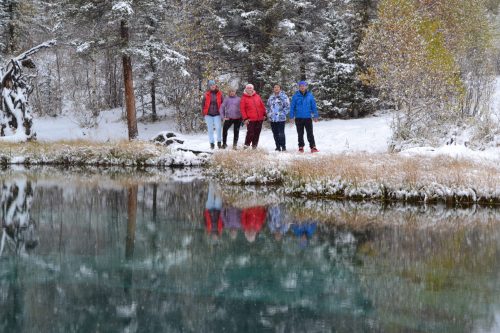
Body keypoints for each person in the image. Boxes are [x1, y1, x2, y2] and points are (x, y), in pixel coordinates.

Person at [290, 81, 319, 153]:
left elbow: (313, 106)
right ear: (299, 87)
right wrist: (291, 117)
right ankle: (301, 146)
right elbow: (292, 107)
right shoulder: (295, 96)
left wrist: (315, 115)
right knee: (300, 133)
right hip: (298, 118)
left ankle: (313, 147)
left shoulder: (310, 95)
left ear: (306, 87)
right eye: (300, 86)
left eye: (304, 86)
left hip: (308, 118)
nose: (302, 87)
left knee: (310, 133)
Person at [240, 84, 266, 149]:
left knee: (257, 133)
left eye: (250, 88)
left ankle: (254, 146)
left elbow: (262, 105)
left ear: (252, 89)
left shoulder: (257, 96)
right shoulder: (244, 98)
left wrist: (264, 114)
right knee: (250, 133)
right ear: (246, 89)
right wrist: (245, 118)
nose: (249, 89)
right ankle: (246, 145)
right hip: (250, 119)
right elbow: (242, 109)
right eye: (248, 88)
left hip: (259, 118)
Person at [266, 84, 290, 152]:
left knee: (281, 133)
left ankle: (283, 147)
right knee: (275, 133)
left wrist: (283, 113)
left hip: (281, 118)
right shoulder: (271, 97)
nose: (276, 88)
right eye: (275, 87)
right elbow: (268, 106)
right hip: (272, 118)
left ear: (280, 88)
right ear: (273, 89)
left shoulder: (284, 96)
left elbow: (287, 106)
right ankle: (278, 147)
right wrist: (268, 113)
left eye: (278, 87)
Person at [202, 80, 224, 149]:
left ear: (215, 85)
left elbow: (223, 104)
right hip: (208, 114)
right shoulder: (206, 94)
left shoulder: (219, 93)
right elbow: (203, 104)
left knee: (218, 128)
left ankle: (219, 142)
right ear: (209, 86)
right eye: (211, 85)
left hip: (217, 114)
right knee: (210, 129)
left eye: (214, 85)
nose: (213, 86)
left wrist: (223, 113)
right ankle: (211, 143)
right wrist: (203, 112)